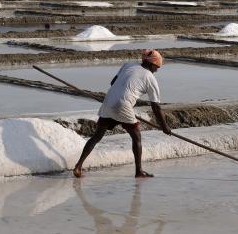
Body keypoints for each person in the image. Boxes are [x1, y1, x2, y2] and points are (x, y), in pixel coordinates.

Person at [73, 49, 171, 178]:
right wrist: (164, 127)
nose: (156, 71)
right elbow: (156, 106)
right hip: (123, 105)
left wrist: (118, 96)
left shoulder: (128, 65)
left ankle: (78, 166)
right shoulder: (150, 78)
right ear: (152, 64)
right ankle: (139, 171)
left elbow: (113, 82)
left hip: (109, 101)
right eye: (156, 68)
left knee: (96, 136)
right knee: (136, 138)